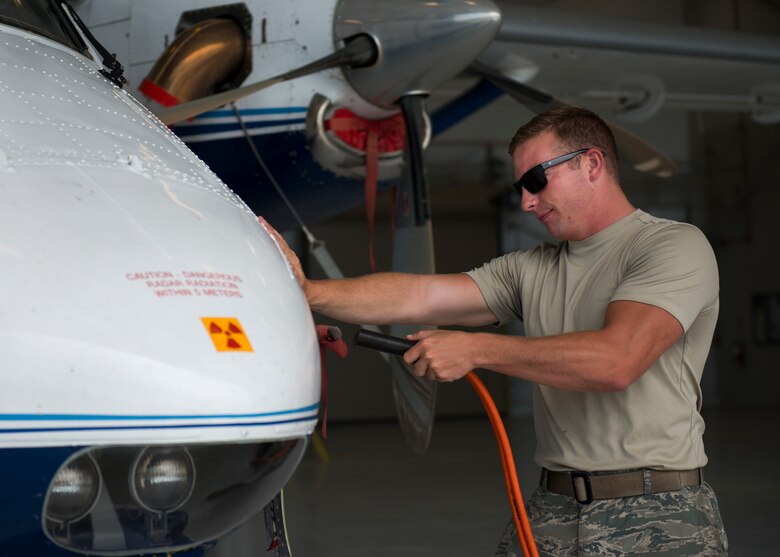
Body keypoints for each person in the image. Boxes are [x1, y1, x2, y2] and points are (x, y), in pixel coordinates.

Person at [263, 106, 727, 556]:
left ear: (591, 163)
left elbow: (617, 361)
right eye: (520, 186)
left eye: (536, 180)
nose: (526, 200)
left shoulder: (671, 246)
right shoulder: (532, 267)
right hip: (555, 505)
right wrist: (309, 291)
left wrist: (477, 349)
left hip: (658, 511)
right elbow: (422, 296)